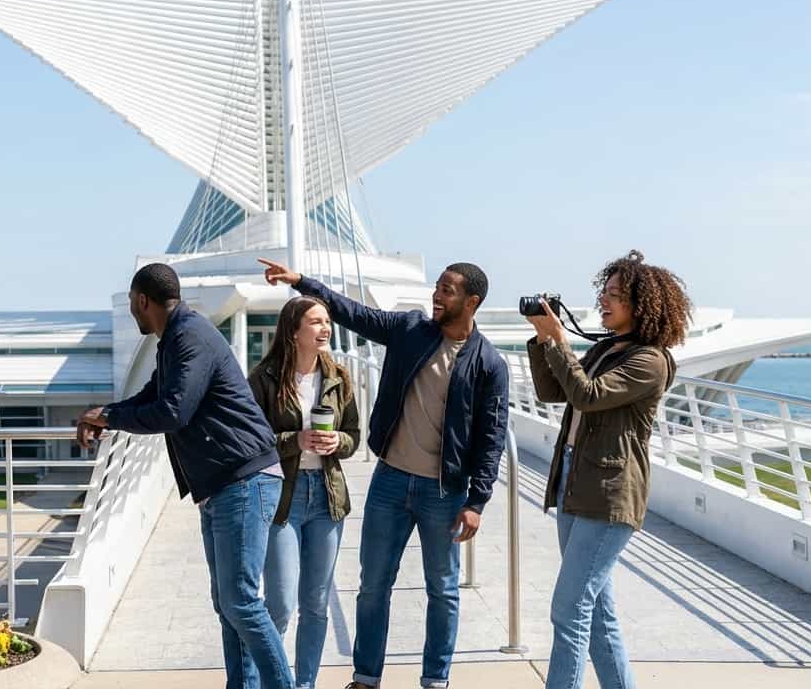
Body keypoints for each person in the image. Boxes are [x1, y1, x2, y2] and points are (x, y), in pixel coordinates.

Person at [259, 258, 509, 689]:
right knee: (373, 585)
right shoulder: (410, 330)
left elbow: (492, 436)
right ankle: (366, 677)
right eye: (437, 286)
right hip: (390, 481)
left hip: (444, 491)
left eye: (447, 290)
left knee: (443, 590)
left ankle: (435, 679)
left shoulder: (488, 363)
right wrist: (302, 282)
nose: (436, 294)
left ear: (472, 302)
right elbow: (353, 312)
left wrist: (477, 501)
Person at [77, 263, 294, 689]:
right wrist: (105, 415)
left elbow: (173, 411)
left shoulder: (189, 335)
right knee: (228, 604)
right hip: (220, 485)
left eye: (131, 305)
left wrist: (106, 417)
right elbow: (152, 394)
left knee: (242, 602)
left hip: (243, 479)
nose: (133, 313)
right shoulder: (175, 338)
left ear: (142, 300)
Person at [524, 250, 691, 689]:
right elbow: (551, 390)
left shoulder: (650, 361)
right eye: (604, 291)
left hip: (610, 493)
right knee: (596, 612)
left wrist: (559, 341)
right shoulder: (604, 349)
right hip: (574, 488)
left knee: (568, 608)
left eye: (615, 294)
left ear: (641, 305)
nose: (604, 299)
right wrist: (545, 341)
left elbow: (588, 396)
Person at [248, 296, 361, 689]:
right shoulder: (264, 379)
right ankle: (270, 682)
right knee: (279, 603)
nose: (325, 328)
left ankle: (305, 684)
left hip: (327, 499)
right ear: (294, 331)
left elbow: (354, 437)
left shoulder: (339, 378)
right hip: (281, 498)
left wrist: (337, 444)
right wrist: (296, 440)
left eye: (327, 321)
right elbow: (253, 442)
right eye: (315, 322)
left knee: (315, 603)